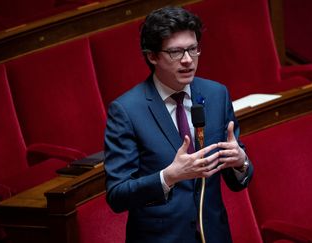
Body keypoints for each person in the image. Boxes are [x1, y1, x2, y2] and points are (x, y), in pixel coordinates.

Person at [104, 6, 253, 243]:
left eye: (193, 49)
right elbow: (117, 195)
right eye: (175, 52)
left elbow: (238, 180)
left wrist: (240, 162)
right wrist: (168, 177)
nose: (187, 61)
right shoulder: (126, 111)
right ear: (152, 56)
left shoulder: (216, 95)